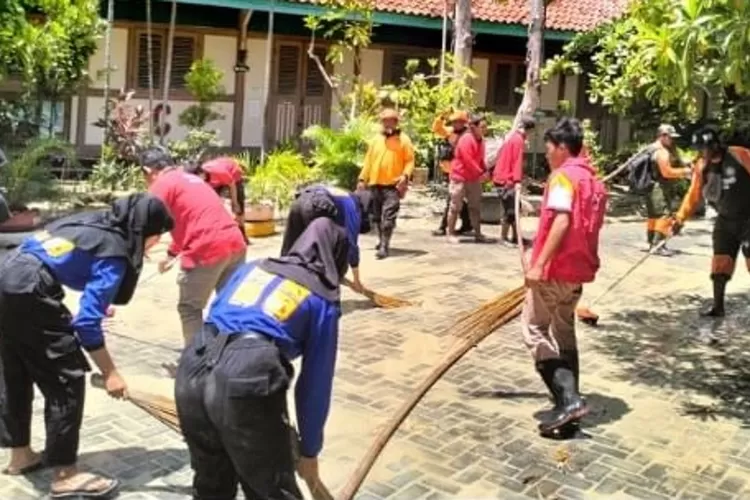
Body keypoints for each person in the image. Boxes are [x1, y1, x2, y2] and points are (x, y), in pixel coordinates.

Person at [0, 194, 173, 498]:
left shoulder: (91, 222)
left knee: (16, 371)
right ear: (147, 232)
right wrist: (110, 373)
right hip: (30, 288)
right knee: (66, 377)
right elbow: (86, 325)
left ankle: (20, 455)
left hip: (7, 273)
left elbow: (57, 257)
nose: (155, 245)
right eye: (156, 238)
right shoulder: (115, 253)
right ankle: (65, 475)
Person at [174, 217, 348, 500]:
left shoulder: (253, 268)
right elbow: (316, 384)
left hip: (194, 363)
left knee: (212, 484)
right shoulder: (321, 300)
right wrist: (309, 452)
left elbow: (219, 312)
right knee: (271, 490)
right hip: (246, 377)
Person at [522, 118, 607, 438]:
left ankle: (568, 399)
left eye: (548, 149)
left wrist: (539, 264)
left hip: (556, 270)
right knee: (564, 330)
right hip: (579, 272)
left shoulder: (563, 178)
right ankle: (574, 399)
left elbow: (561, 220)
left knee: (534, 329)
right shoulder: (594, 181)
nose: (546, 155)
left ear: (561, 148)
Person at [140, 146, 247, 346]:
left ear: (148, 171)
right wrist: (171, 255)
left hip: (207, 248)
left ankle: (196, 362)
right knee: (229, 304)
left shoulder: (161, 184)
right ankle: (235, 355)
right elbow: (189, 219)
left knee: (190, 308)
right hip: (235, 242)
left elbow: (150, 227)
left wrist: (135, 251)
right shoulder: (192, 179)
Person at [673, 128, 750, 317]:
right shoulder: (702, 167)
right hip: (725, 221)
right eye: (699, 149)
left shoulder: (740, 155)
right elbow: (693, 194)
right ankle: (718, 307)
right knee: (720, 263)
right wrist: (680, 219)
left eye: (704, 148)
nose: (702, 153)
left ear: (715, 145)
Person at [280, 184, 371, 293]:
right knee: (321, 256)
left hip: (299, 202)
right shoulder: (354, 206)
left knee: (290, 249)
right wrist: (356, 280)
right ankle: (325, 294)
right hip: (318, 205)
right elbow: (351, 244)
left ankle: (282, 287)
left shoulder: (344, 194)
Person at [358, 108, 415, 259]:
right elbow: (368, 161)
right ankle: (381, 240)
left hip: (393, 185)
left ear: (396, 122)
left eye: (391, 120)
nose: (387, 123)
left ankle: (384, 246)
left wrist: (405, 176)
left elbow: (410, 161)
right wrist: (362, 179)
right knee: (376, 217)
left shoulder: (404, 140)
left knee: (388, 217)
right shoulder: (376, 140)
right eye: (385, 121)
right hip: (375, 184)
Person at [645, 124, 692, 256]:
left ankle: (653, 244)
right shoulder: (661, 152)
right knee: (663, 215)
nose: (672, 140)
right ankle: (658, 245)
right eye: (670, 137)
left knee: (654, 215)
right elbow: (667, 172)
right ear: (663, 136)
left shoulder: (651, 148)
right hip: (659, 188)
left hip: (652, 187)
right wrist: (685, 171)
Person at [185, 157, 249, 245]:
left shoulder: (219, 172)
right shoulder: (199, 179)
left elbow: (232, 185)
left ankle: (242, 233)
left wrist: (234, 202)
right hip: (216, 181)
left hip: (233, 177)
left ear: (201, 173)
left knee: (238, 207)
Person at [446, 114, 489, 244]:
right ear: (473, 127)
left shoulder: (481, 140)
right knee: (455, 207)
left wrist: (485, 171)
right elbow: (468, 160)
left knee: (475, 206)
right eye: (482, 127)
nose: (484, 129)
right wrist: (481, 172)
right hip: (460, 177)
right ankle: (450, 233)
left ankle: (478, 233)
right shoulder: (466, 139)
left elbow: (480, 159)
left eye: (485, 126)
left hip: (473, 178)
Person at [493, 116, 536, 246]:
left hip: (504, 177)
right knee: (510, 210)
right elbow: (517, 162)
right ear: (529, 130)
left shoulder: (514, 138)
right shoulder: (518, 141)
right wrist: (517, 181)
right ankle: (503, 237)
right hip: (506, 179)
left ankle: (516, 237)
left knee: (514, 208)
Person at [431, 110, 473, 236]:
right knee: (458, 199)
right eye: (454, 122)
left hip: (460, 171)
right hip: (449, 169)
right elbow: (437, 129)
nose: (456, 124)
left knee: (452, 199)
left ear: (464, 122)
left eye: (459, 122)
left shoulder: (468, 135)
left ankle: (444, 227)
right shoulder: (450, 132)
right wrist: (442, 116)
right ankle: (467, 224)